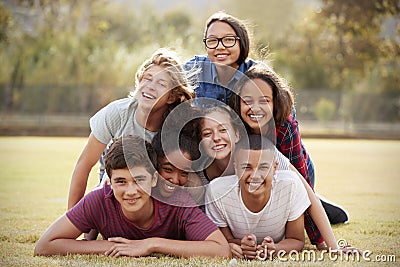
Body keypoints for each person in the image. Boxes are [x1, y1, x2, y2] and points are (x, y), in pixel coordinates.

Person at [34, 136, 230, 258]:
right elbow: (44, 246)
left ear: (154, 179)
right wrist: (108, 246)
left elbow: (220, 250)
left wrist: (151, 244)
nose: (130, 191)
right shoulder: (99, 199)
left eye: (139, 180)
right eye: (121, 181)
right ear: (108, 181)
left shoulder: (178, 202)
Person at [68, 48, 196, 210]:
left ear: (171, 97)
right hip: (114, 178)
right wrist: (72, 219)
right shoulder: (117, 113)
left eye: (161, 84)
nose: (150, 86)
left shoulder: (175, 126)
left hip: (153, 184)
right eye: (147, 79)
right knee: (107, 187)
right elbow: (84, 165)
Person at [229, 64, 349, 226]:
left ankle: (320, 207)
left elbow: (300, 181)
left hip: (296, 169)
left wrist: (319, 240)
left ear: (275, 102)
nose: (255, 108)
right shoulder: (236, 125)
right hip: (258, 172)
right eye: (247, 101)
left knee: (297, 199)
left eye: (264, 101)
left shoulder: (285, 126)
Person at [206, 135, 310, 259]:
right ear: (236, 168)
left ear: (275, 168)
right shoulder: (217, 192)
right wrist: (241, 246)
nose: (255, 175)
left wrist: (276, 249)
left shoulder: (291, 185)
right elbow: (224, 240)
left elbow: (296, 240)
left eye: (263, 167)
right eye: (246, 167)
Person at [185, 11, 255, 104]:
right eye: (212, 40)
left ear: (242, 42)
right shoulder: (193, 69)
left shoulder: (257, 74)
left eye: (229, 39)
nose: (220, 47)